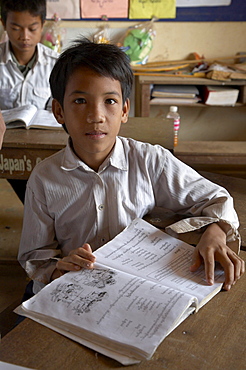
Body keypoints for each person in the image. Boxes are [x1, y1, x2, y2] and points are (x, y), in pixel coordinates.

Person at [18, 38, 244, 297]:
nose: (96, 116)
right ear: (59, 111)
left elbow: (217, 198)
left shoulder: (149, 161)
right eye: (80, 101)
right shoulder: (45, 178)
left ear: (125, 110)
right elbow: (35, 257)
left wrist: (215, 233)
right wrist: (59, 268)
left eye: (110, 101)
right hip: (72, 290)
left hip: (132, 289)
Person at [0, 0, 59, 203]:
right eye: (15, 28)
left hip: (43, 144)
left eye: (32, 28)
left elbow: (58, 107)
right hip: (5, 143)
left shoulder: (55, 64)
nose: (24, 36)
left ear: (42, 25)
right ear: (3, 24)